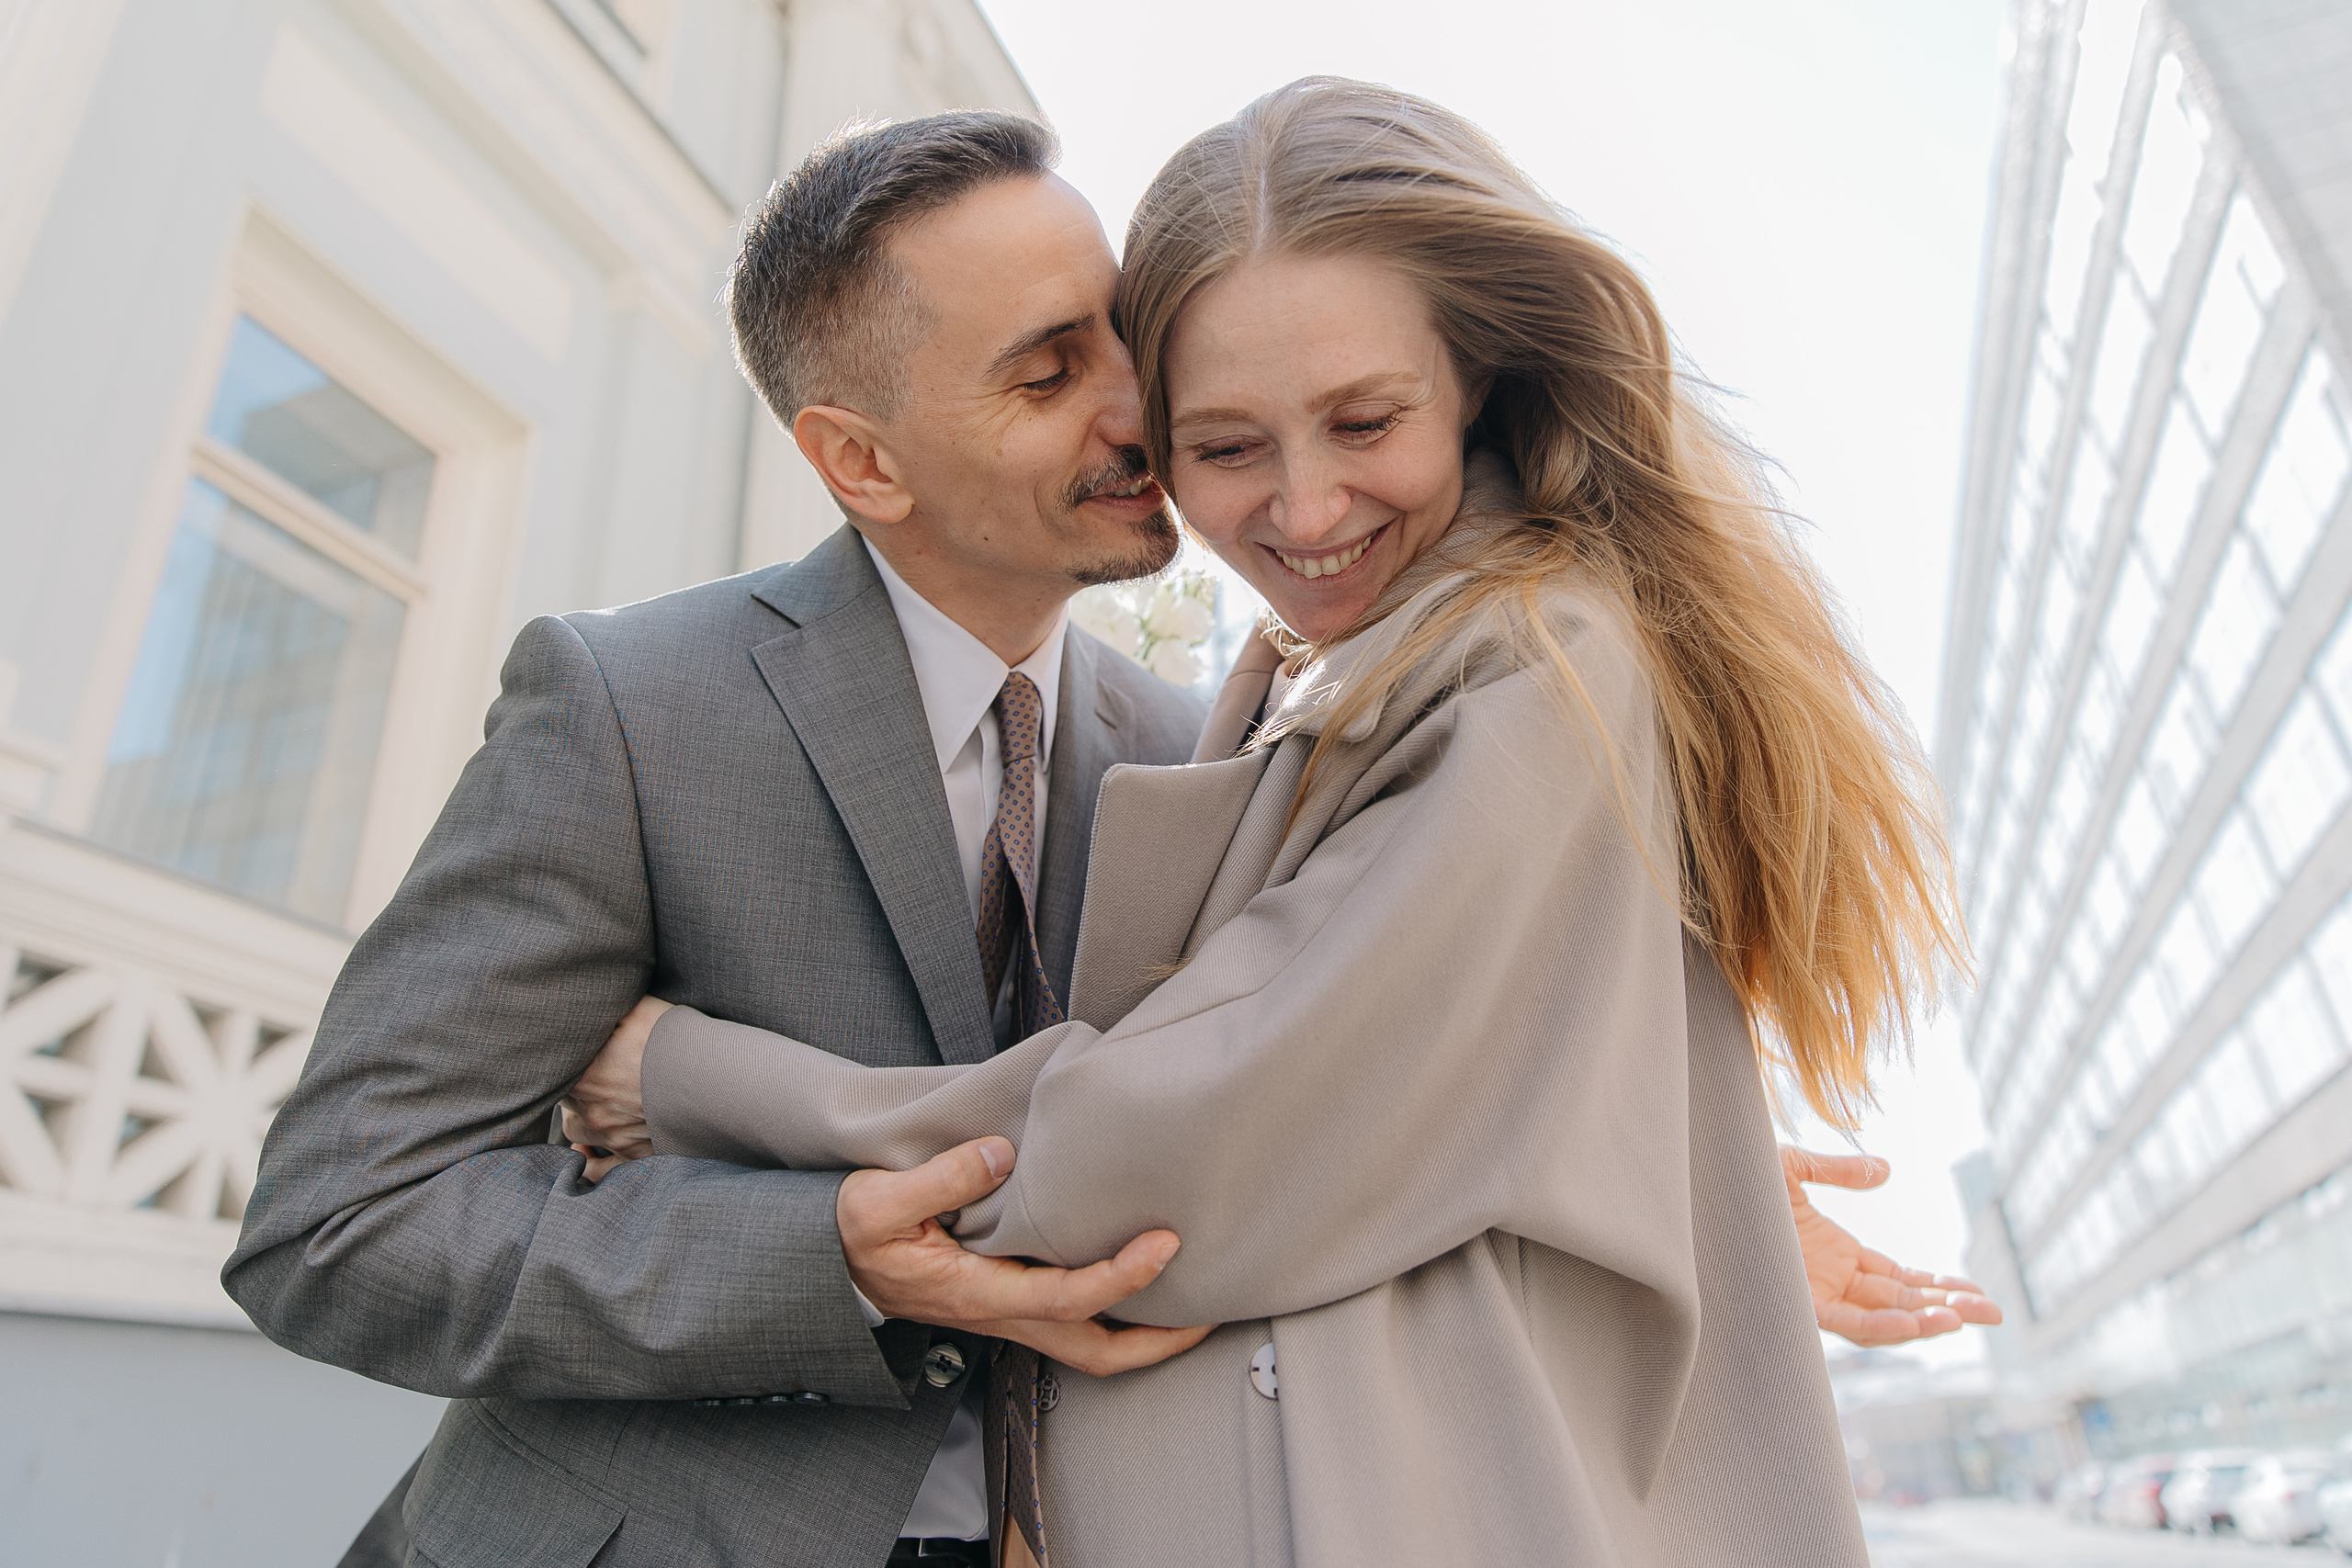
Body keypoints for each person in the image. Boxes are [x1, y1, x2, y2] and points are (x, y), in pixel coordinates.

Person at [233, 106, 1989, 1568]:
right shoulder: (631, 706)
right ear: (860, 460)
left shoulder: (1201, 737)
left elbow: (1301, 1081)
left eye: (1124, 341)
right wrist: (816, 1260)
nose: (1141, 412)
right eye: (1051, 369)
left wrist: (1609, 1134)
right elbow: (337, 1224)